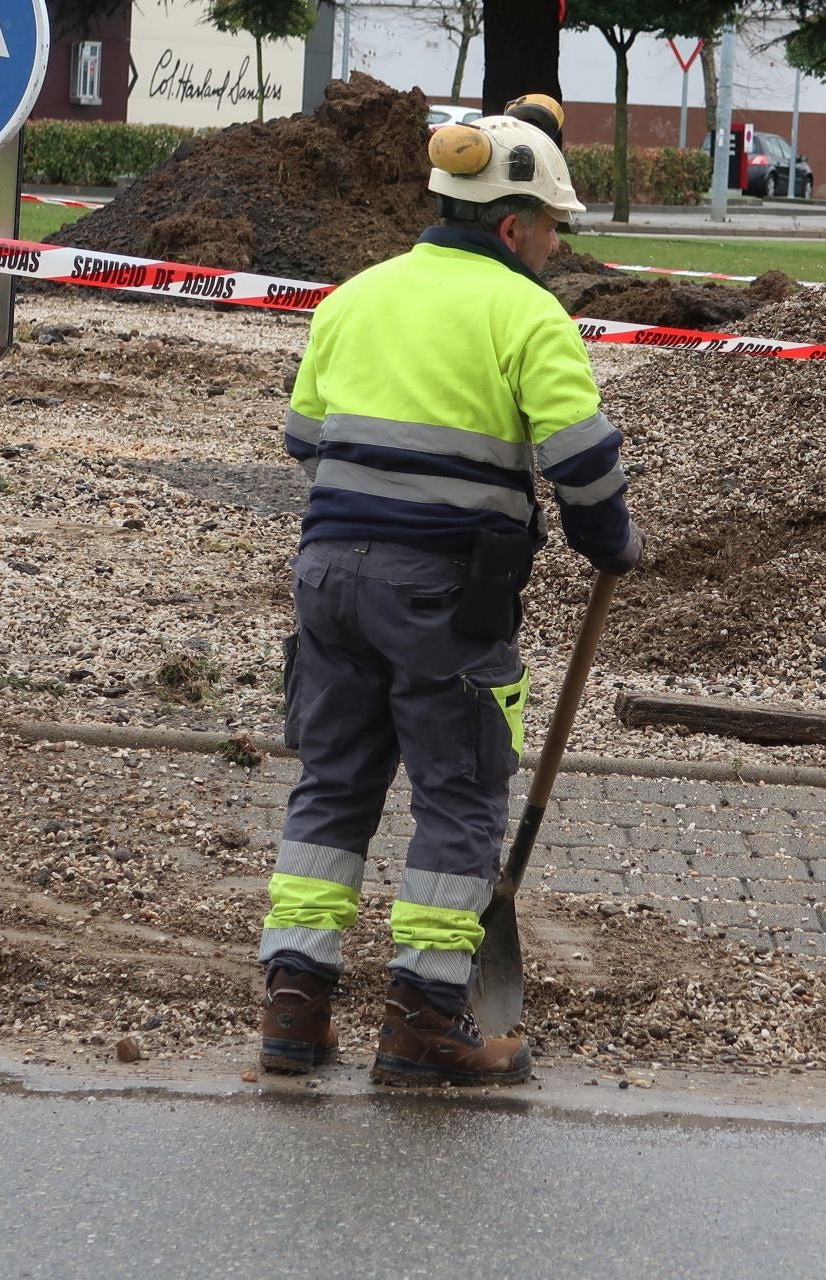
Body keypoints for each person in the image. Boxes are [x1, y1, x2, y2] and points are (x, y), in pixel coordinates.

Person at [260, 94, 644, 1088]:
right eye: (554, 229)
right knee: (462, 796)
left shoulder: (354, 297)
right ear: (513, 226)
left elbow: (305, 439)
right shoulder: (527, 313)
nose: (557, 248)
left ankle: (294, 1007)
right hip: (444, 595)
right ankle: (425, 1018)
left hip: (327, 579)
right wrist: (609, 541)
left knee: (333, 784)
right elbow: (584, 461)